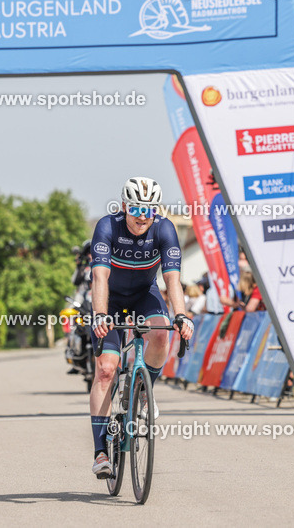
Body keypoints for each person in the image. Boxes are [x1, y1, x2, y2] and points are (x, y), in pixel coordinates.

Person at [89, 177, 195, 478]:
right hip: (108, 299)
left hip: (144, 296)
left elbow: (172, 279)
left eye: (148, 209)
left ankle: (143, 391)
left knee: (161, 334)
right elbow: (99, 277)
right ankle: (100, 453)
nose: (141, 215)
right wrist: (99, 314)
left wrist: (182, 316)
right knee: (107, 369)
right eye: (135, 208)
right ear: (124, 206)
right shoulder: (107, 227)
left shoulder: (164, 229)